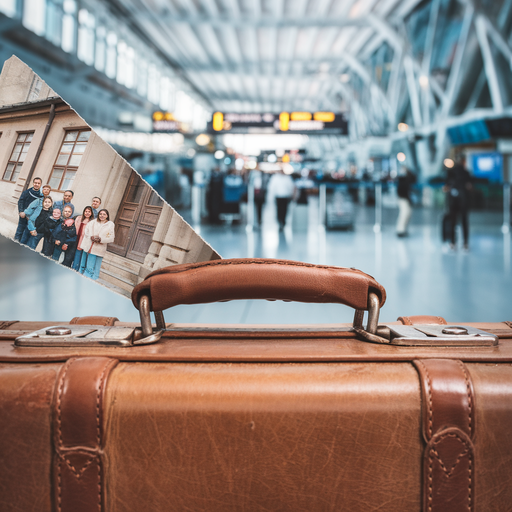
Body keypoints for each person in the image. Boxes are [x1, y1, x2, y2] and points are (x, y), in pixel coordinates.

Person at [444, 157, 472, 251]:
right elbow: (469, 186)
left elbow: (446, 187)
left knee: (453, 222)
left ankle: (452, 243)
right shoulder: (466, 172)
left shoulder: (450, 173)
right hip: (463, 201)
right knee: (464, 222)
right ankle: (465, 244)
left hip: (453, 201)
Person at [79, 209, 115, 280]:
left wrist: (101, 239)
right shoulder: (93, 222)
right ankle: (85, 280)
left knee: (97, 268)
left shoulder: (110, 224)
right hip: (91, 247)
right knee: (89, 267)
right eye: (100, 214)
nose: (102, 215)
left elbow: (111, 238)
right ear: (98, 215)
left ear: (107, 215)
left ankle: (94, 281)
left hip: (100, 248)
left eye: (104, 214)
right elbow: (87, 231)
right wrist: (91, 237)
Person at [14, 177, 42, 241]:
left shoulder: (41, 196)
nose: (36, 184)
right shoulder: (26, 192)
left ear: (40, 184)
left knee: (27, 236)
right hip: (24, 216)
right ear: (33, 183)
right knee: (19, 232)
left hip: (32, 220)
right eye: (35, 183)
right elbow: (21, 202)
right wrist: (21, 211)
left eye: (38, 183)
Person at [72, 206, 95, 271]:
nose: (87, 213)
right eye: (86, 211)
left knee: (79, 255)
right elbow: (75, 228)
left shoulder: (92, 222)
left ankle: (76, 269)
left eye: (89, 212)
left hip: (83, 241)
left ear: (91, 213)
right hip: (76, 238)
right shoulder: (79, 218)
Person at [396, 167, 417, 237]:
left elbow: (414, 179)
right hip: (402, 198)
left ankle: (404, 229)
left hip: (406, 199)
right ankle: (400, 230)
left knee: (408, 213)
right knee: (404, 214)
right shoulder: (401, 179)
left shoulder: (408, 179)